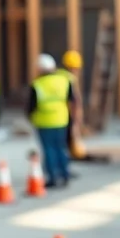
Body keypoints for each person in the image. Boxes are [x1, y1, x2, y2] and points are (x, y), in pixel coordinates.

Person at [27, 54, 74, 188]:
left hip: (44, 122)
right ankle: (65, 175)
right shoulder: (64, 81)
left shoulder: (37, 84)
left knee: (49, 150)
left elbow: (31, 106)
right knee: (61, 148)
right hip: (62, 120)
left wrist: (31, 118)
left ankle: (53, 177)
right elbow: (71, 100)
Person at [59, 50, 84, 173]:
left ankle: (59, 168)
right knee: (65, 144)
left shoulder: (59, 75)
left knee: (59, 143)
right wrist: (77, 118)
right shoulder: (70, 79)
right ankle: (64, 170)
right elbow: (75, 100)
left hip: (59, 114)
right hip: (67, 114)